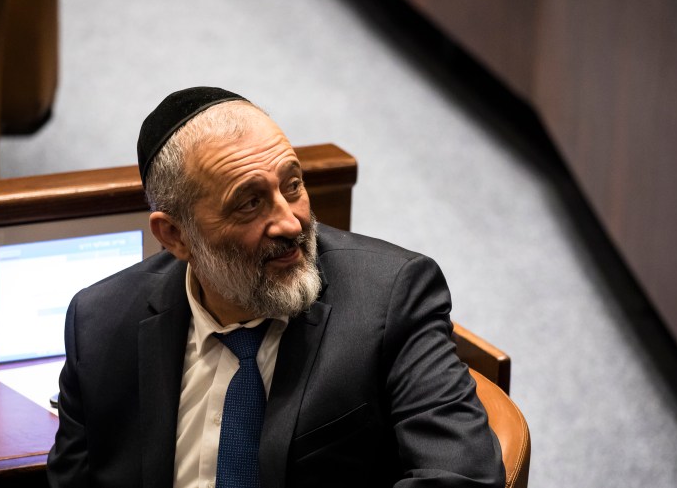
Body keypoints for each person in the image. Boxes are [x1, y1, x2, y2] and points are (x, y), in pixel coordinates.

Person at [47, 87, 505, 488]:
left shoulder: (390, 296)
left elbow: (461, 477)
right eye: (248, 203)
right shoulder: (100, 321)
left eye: (293, 185)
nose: (290, 222)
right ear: (175, 236)